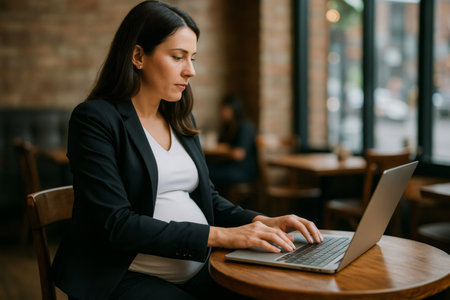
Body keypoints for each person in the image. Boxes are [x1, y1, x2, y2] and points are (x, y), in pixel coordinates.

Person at [51, 1, 323, 299]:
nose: (191, 71)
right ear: (138, 56)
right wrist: (221, 235)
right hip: (120, 276)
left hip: (199, 268)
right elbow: (115, 224)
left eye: (193, 58)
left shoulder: (179, 117)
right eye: (178, 57)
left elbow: (210, 199)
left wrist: (259, 221)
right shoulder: (95, 119)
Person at [207, 95, 258, 196]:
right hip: (230, 166)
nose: (222, 113)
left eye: (225, 110)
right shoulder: (228, 126)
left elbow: (239, 154)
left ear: (234, 110)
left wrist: (225, 149)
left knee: (208, 173)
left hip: (243, 170)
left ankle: (214, 204)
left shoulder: (245, 127)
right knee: (205, 167)